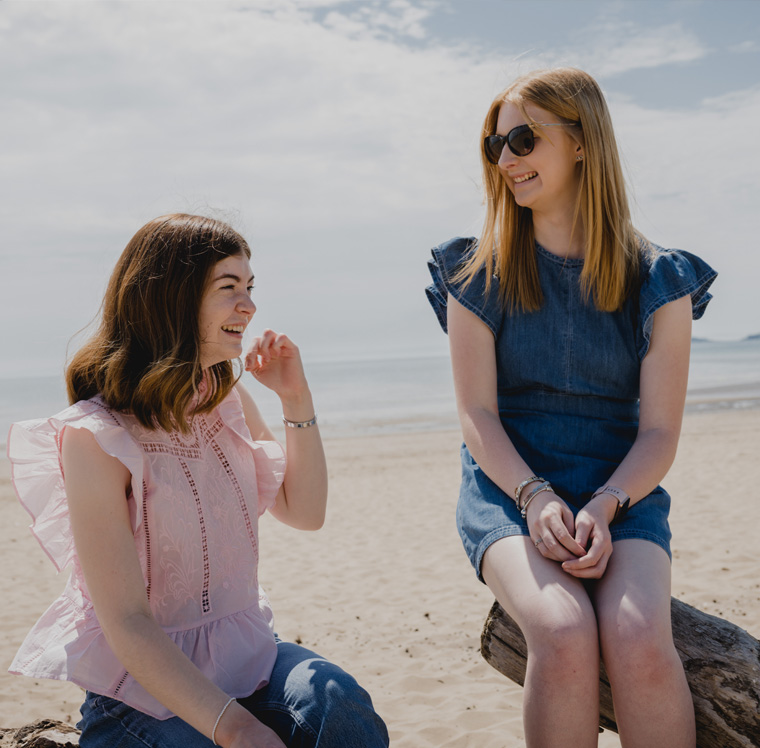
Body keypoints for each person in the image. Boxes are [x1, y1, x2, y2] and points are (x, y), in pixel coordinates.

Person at [8, 213, 389, 748]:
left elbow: (305, 512)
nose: (250, 306)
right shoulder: (96, 437)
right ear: (170, 299)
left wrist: (296, 399)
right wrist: (236, 728)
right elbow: (127, 622)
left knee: (341, 706)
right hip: (142, 694)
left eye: (250, 287)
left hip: (251, 660)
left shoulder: (224, 397)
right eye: (229, 288)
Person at [425, 68, 716, 747]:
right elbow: (478, 417)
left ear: (582, 142)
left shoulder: (659, 279)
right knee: (560, 629)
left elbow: (661, 430)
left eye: (523, 139)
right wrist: (533, 497)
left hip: (624, 484)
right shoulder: (476, 271)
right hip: (508, 482)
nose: (506, 160)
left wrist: (608, 502)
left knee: (640, 637)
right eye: (494, 146)